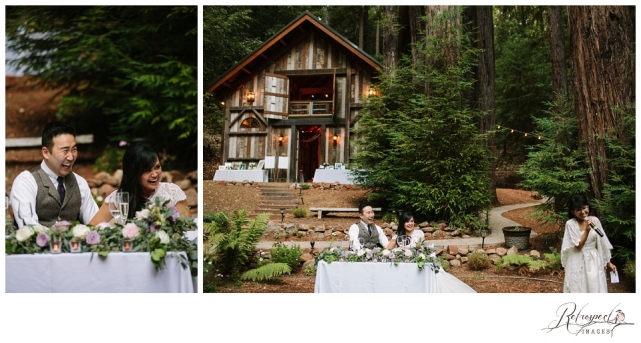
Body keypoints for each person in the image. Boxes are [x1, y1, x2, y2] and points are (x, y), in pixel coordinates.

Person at [10, 122, 99, 228]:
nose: (71, 157)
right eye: (65, 151)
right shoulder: (26, 181)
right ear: (46, 152)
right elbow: (27, 227)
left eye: (74, 149)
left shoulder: (80, 183)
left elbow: (94, 223)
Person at [89, 143, 189, 225]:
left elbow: (190, 231)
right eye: (147, 170)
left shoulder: (172, 192)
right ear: (133, 172)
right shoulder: (120, 197)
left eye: (157, 167)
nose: (155, 174)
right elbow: (91, 228)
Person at [561, 194, 617, 293]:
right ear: (572, 212)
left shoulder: (595, 220)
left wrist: (609, 262)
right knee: (579, 286)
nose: (582, 212)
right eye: (578, 210)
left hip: (594, 259)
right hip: (578, 260)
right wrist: (587, 231)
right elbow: (578, 246)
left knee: (595, 286)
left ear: (588, 207)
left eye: (584, 208)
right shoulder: (570, 224)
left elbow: (602, 241)